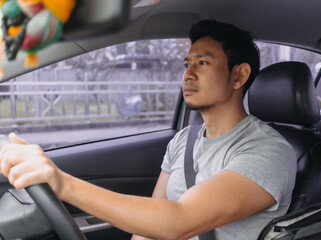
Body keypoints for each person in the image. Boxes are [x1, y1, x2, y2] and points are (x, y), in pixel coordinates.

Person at [0, 20, 297, 240]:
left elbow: (179, 220)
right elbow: (153, 219)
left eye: (203, 62)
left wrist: (62, 184)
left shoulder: (269, 153)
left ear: (239, 75)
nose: (188, 74)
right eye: (187, 63)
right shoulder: (184, 140)